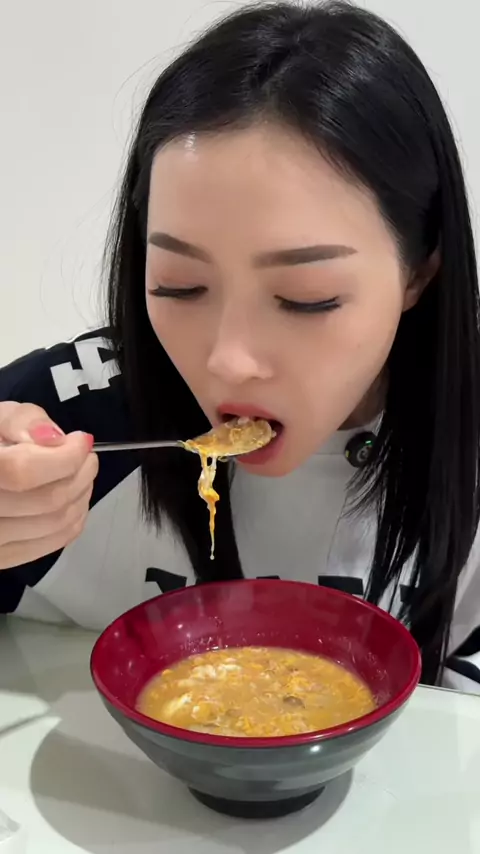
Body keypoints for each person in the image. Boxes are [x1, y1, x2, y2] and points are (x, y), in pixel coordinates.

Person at [0, 0, 479, 693]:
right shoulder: (71, 418)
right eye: (180, 285)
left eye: (306, 297)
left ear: (419, 271)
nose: (227, 359)